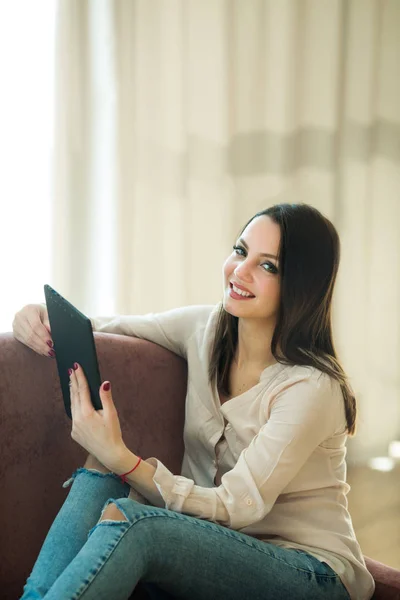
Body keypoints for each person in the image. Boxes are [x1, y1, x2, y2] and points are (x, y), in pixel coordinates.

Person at [13, 203, 375, 600]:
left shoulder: (312, 387)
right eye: (240, 251)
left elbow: (237, 506)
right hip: (213, 546)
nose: (240, 271)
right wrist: (33, 316)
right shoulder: (204, 328)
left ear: (301, 285)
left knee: (139, 523)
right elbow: (101, 326)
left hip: (309, 574)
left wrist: (124, 458)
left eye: (268, 266)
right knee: (101, 466)